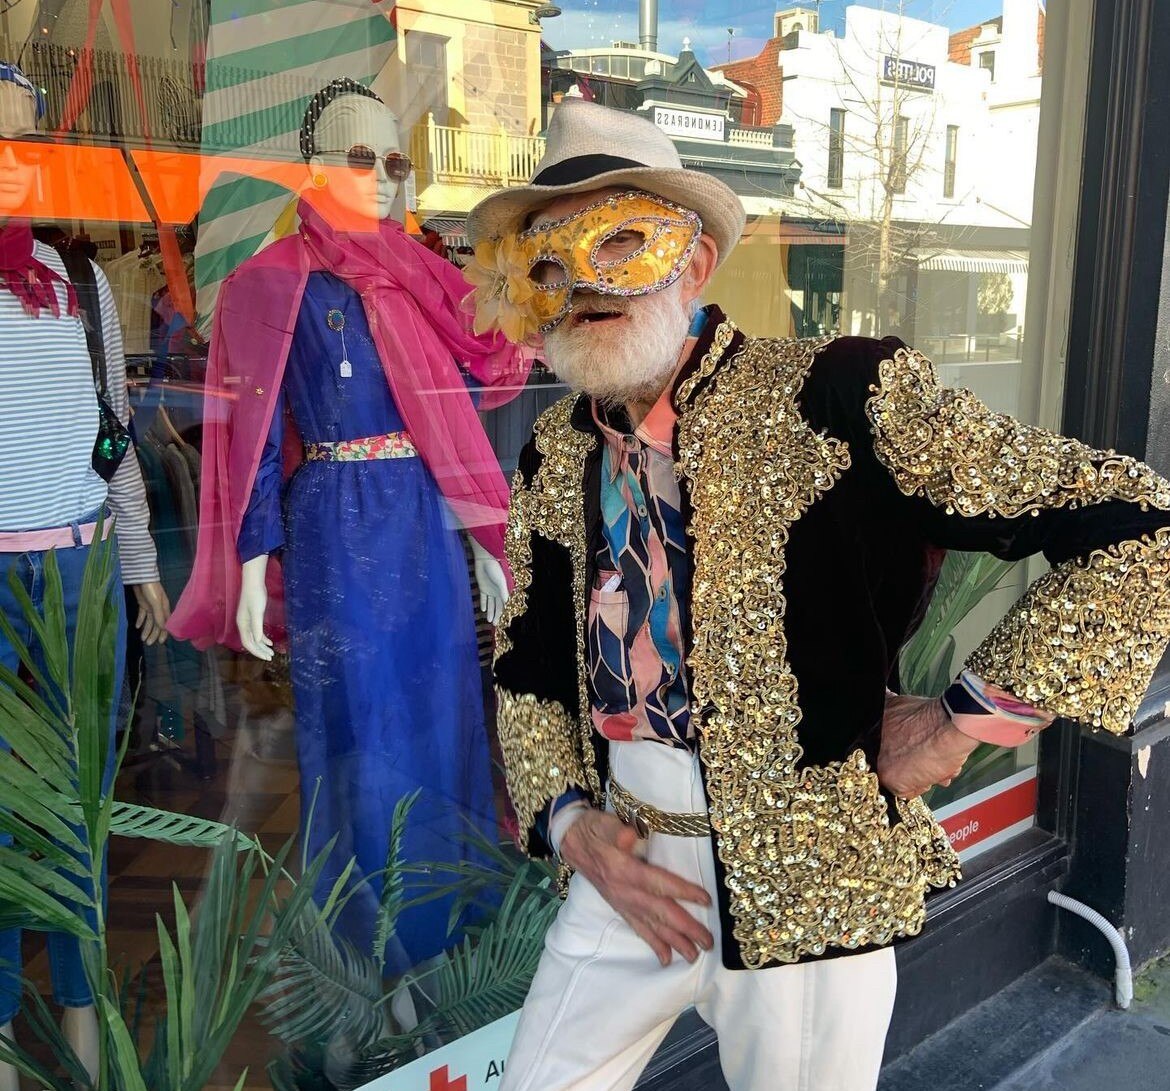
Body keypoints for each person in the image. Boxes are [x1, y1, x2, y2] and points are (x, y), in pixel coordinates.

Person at [463, 99, 1170, 1091]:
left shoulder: (837, 394)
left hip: (806, 878)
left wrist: (963, 719)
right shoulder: (556, 447)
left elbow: (1138, 525)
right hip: (624, 865)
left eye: (620, 241)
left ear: (693, 264)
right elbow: (528, 662)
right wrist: (570, 824)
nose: (580, 281)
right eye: (549, 260)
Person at [169, 79, 528, 969]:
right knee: (361, 733)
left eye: (392, 161)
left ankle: (449, 937)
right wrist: (253, 559)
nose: (378, 177)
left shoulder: (420, 276)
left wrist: (479, 530)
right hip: (336, 525)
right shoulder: (269, 285)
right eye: (357, 158)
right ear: (314, 169)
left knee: (444, 717)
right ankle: (375, 956)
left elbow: (463, 401)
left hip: (425, 521)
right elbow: (248, 435)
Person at [0, 61, 169, 1087]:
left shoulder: (83, 283)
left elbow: (113, 438)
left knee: (75, 815)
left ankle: (82, 1053)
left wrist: (140, 564)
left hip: (77, 580)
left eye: (27, 137)